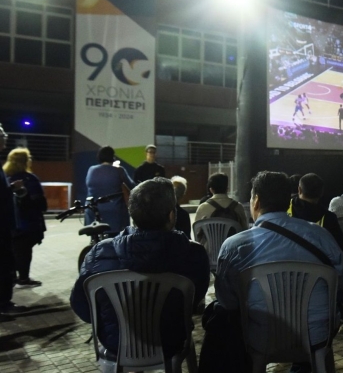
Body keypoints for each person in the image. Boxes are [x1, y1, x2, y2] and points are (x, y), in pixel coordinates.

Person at [212, 171, 343, 369]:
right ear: (288, 201)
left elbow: (227, 301)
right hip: (317, 336)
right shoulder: (320, 234)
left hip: (260, 337)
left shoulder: (235, 246)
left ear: (256, 201)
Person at [70, 178, 210, 357]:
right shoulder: (194, 253)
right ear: (171, 216)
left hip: (117, 344)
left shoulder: (100, 252)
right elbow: (195, 299)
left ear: (132, 213)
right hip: (170, 341)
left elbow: (81, 305)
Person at [3, 148, 47, 288]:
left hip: (8, 222)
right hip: (27, 223)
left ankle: (13, 277)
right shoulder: (30, 179)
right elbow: (40, 203)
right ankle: (23, 278)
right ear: (25, 161)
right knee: (24, 251)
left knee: (13, 250)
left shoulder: (5, 177)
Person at [0, 124, 31, 316]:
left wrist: (10, 189)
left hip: (5, 223)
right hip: (1, 224)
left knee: (7, 263)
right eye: (2, 135)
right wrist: (12, 189)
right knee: (4, 264)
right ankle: (3, 305)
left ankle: (5, 302)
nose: (5, 138)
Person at [85, 146, 135, 235]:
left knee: (96, 238)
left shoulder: (91, 170)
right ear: (113, 157)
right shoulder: (119, 171)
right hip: (115, 215)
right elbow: (133, 187)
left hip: (94, 213)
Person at [289, 173, 343, 250]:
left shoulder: (283, 207)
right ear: (321, 193)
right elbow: (338, 246)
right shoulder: (329, 218)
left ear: (299, 190)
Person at [194, 173, 248, 245]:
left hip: (209, 250)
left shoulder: (203, 207)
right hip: (234, 249)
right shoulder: (238, 207)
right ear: (227, 189)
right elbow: (245, 230)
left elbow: (197, 233)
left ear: (211, 190)